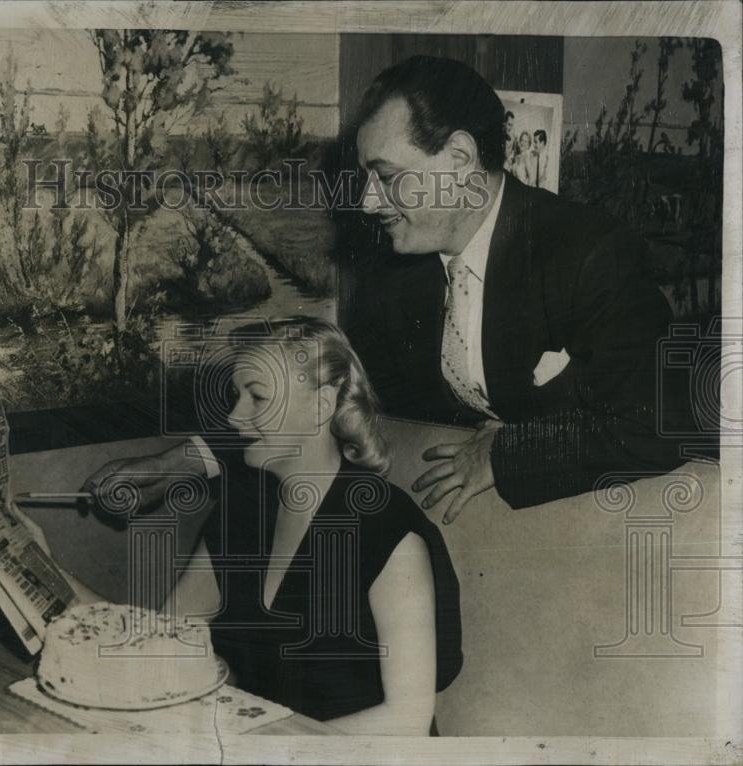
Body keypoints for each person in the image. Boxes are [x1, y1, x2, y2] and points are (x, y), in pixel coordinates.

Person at [84, 56, 686, 526]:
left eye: (387, 177)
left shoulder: (586, 252)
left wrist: (503, 455)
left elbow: (658, 423)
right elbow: (332, 391)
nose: (370, 202)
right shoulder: (401, 273)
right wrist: (181, 464)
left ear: (458, 158)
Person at [146, 317, 462, 733]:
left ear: (320, 406)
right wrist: (48, 578)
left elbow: (407, 719)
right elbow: (165, 637)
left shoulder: (387, 532)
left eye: (256, 397)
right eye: (236, 395)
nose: (235, 416)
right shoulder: (242, 508)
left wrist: (258, 747)